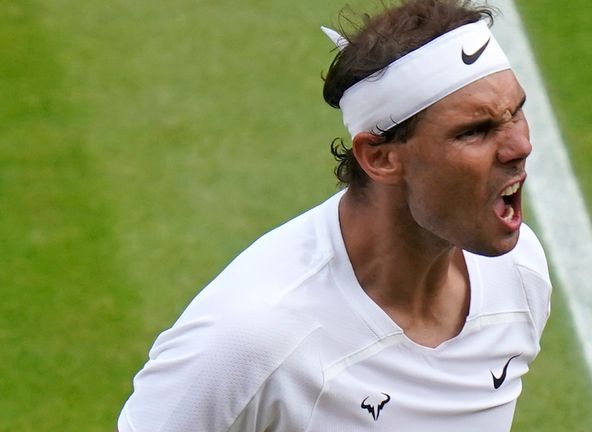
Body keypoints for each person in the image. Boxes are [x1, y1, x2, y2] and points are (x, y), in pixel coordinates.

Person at [117, 0, 551, 430]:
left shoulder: (519, 274)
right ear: (380, 159)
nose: (520, 146)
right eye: (474, 131)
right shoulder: (252, 337)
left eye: (516, 113)